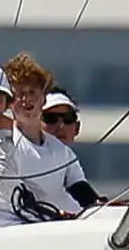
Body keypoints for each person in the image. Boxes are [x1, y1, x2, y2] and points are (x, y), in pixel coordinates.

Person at [5, 58, 101, 218]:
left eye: (32, 92)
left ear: (43, 99)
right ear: (9, 103)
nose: (26, 99)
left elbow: (81, 189)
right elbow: (18, 199)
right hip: (15, 230)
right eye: (19, 94)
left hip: (51, 229)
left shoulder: (62, 151)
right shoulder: (6, 144)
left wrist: (101, 207)